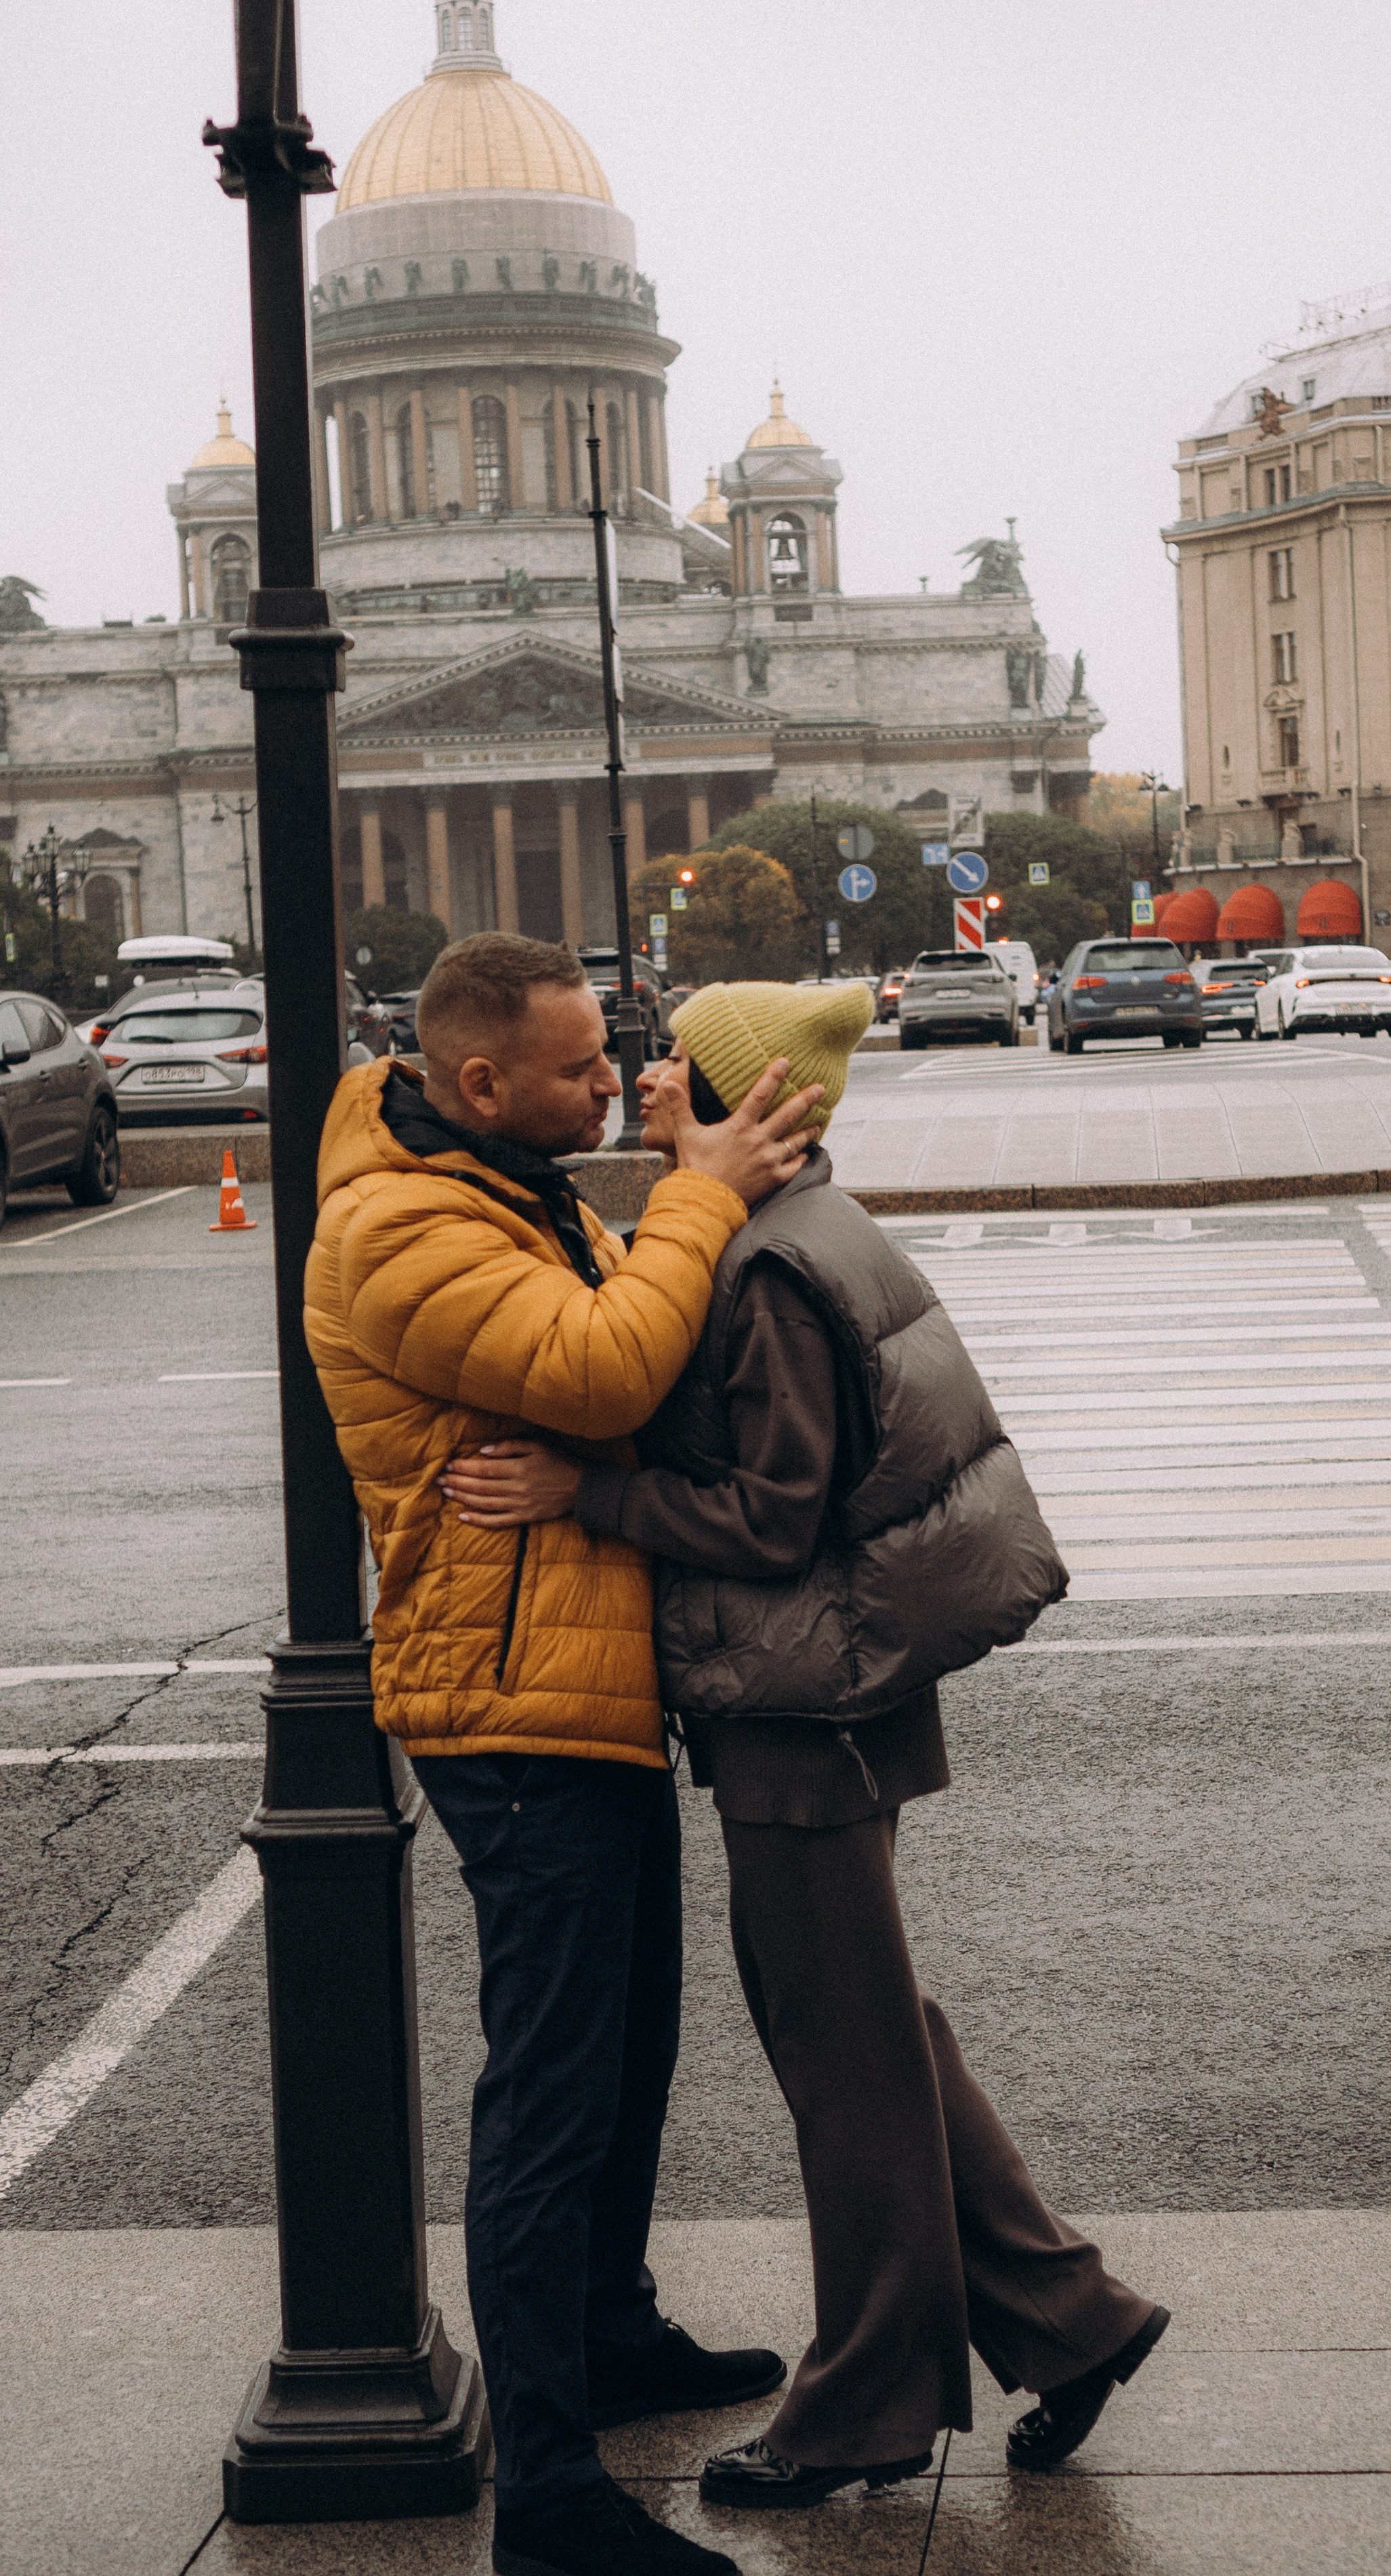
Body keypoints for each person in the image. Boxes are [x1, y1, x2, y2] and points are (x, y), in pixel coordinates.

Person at [441, 979, 1167, 2514]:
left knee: (843, 2063)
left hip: (801, 1707)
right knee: (868, 2031)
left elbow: (771, 1517)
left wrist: (589, 1497)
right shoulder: (795, 1228)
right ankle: (1064, 2314)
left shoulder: (767, 1269)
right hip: (825, 1699)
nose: (641, 1089)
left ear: (743, 1102)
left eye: (671, 1075)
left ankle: (860, 2414)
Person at [304, 933, 831, 2576]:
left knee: (622, 2056)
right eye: (581, 1071)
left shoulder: (497, 1180)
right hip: (507, 1698)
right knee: (546, 2094)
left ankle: (608, 2335)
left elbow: (619, 1332)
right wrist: (701, 1192)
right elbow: (608, 1368)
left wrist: (665, 1173)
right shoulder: (397, 1224)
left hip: (579, 1673)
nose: (613, 1084)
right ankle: (544, 2489)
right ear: (480, 1084)